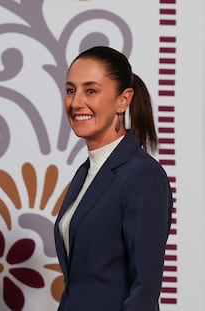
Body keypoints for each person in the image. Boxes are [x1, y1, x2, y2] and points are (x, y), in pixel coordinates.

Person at [54, 46, 173, 310]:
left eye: (91, 91)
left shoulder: (143, 176)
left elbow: (145, 288)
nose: (76, 103)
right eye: (71, 90)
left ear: (123, 100)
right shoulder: (86, 173)